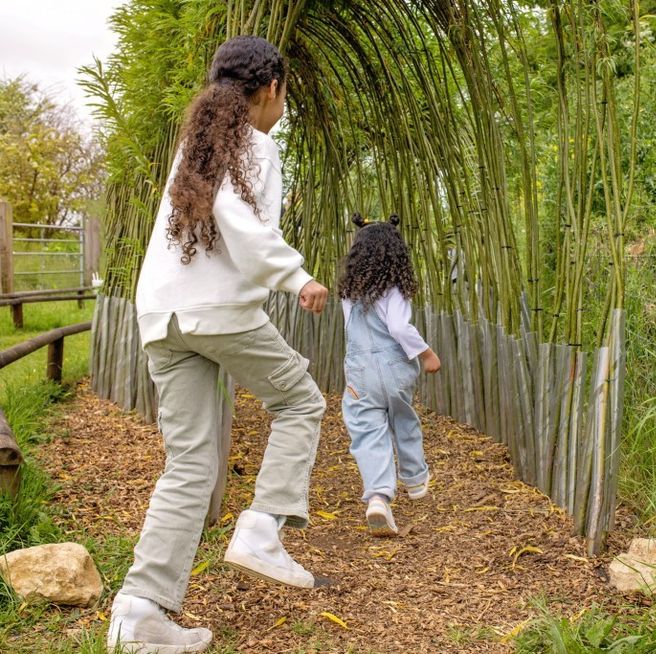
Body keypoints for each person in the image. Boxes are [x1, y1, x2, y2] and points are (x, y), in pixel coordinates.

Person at [108, 35, 331, 654]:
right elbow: (242, 222)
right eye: (284, 94)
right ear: (271, 90)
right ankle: (262, 529)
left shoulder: (195, 147)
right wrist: (297, 275)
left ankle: (138, 612)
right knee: (301, 402)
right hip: (217, 313)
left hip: (162, 316)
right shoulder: (254, 144)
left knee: (189, 463)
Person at [337, 213, 441, 537]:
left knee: (368, 432)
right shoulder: (394, 289)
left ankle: (379, 498)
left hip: (360, 373)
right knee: (403, 418)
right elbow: (398, 326)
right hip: (395, 368)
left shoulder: (348, 293)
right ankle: (415, 478)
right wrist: (426, 353)